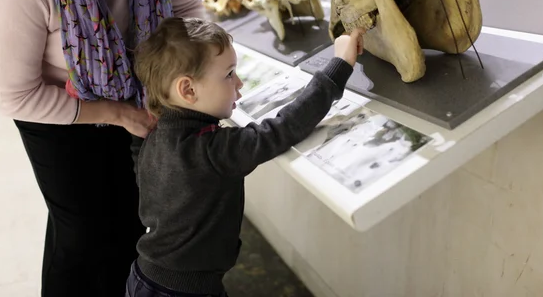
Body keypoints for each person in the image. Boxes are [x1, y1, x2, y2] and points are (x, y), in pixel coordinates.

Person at [0, 0, 205, 296]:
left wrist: (209, 69)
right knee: (84, 234)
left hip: (141, 91)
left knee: (129, 220)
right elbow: (13, 95)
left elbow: (183, 2)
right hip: (57, 107)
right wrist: (114, 112)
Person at [126, 17, 365, 297]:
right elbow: (282, 130)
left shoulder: (155, 138)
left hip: (145, 278)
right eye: (229, 74)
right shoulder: (210, 151)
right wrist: (340, 66)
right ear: (188, 90)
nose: (239, 83)